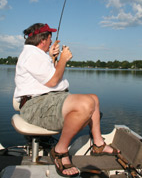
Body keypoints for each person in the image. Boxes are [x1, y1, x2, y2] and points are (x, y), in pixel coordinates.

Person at [14, 23, 119, 177]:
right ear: (43, 40)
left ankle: (98, 144)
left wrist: (53, 58)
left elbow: (48, 79)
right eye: (50, 38)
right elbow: (52, 82)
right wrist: (63, 59)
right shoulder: (31, 55)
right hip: (35, 106)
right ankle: (60, 151)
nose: (51, 42)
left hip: (48, 100)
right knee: (86, 104)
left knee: (93, 99)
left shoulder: (37, 54)